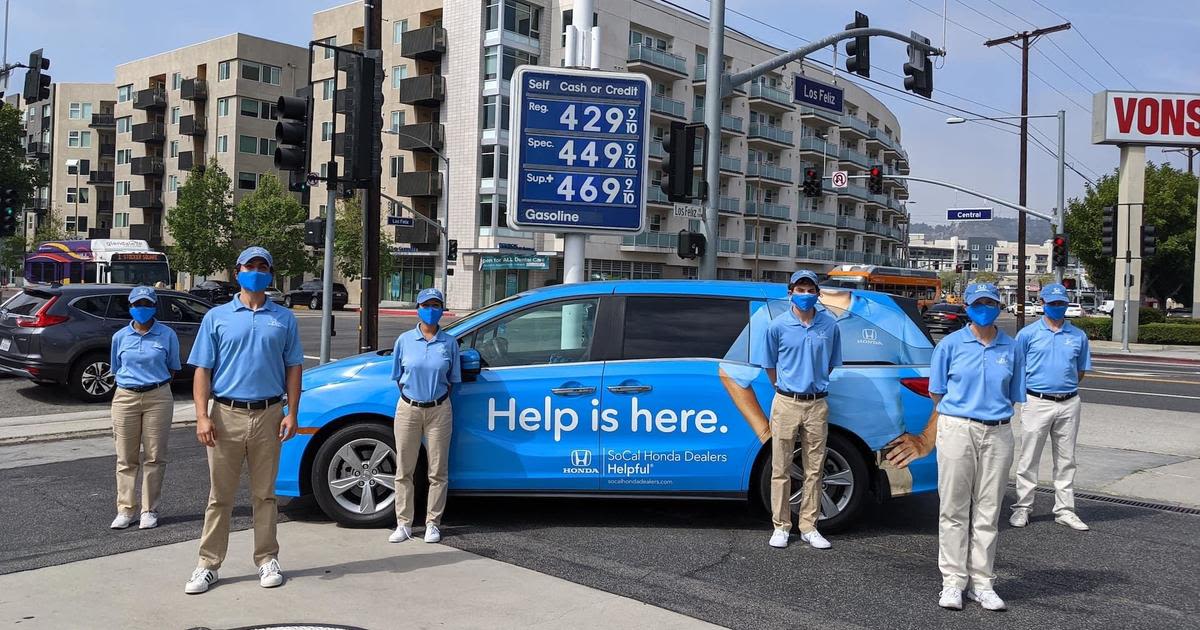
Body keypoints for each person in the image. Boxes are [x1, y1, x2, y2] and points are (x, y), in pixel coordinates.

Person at [885, 283, 1025, 612]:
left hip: (998, 432)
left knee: (989, 511)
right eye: (978, 303)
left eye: (991, 302)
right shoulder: (950, 345)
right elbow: (938, 394)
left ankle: (982, 582)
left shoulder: (1012, 347)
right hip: (958, 429)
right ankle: (953, 581)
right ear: (967, 306)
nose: (985, 308)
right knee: (953, 509)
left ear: (999, 306)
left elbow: (1014, 393)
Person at [184, 246, 303, 595]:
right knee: (219, 496)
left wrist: (292, 412)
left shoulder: (283, 318)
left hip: (268, 414)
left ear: (270, 274)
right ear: (237, 272)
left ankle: (267, 558)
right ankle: (208, 564)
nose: (256, 271)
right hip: (225, 415)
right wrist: (202, 416)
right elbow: (202, 370)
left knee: (265, 495)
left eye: (262, 266)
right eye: (249, 266)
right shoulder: (217, 317)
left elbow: (293, 368)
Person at [761, 270, 842, 550]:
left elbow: (831, 363)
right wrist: (783, 388)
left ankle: (809, 526)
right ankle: (781, 526)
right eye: (800, 289)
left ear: (818, 294)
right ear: (790, 292)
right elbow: (770, 365)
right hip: (785, 401)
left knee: (815, 469)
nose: (805, 295)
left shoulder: (829, 326)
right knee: (781, 467)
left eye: (811, 290)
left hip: (817, 403)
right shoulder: (778, 326)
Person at [1010, 283, 1092, 531]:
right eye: (1053, 303)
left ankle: (1065, 510)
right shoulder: (1027, 334)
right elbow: (1018, 368)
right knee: (1029, 457)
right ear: (1043, 304)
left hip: (1069, 402)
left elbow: (1079, 371)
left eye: (1062, 303)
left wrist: (1063, 388)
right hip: (1037, 401)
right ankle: (1022, 507)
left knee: (1067, 459)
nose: (1058, 307)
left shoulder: (1078, 336)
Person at [388, 287, 461, 545]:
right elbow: (398, 377)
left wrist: (435, 399)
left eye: (436, 305)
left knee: (437, 470)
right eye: (426, 305)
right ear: (417, 309)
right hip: (408, 408)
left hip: (439, 409)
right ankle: (404, 523)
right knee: (404, 469)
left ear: (442, 309)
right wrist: (414, 398)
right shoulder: (404, 341)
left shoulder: (449, 343)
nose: (431, 310)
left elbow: (453, 380)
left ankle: (433, 522)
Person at [108, 285, 180, 531]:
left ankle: (149, 510)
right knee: (126, 457)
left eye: (147, 304)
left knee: (154, 456)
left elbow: (172, 367)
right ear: (130, 307)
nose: (142, 309)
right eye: (137, 304)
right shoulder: (120, 337)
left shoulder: (167, 334)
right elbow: (116, 367)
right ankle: (125, 510)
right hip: (126, 397)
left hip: (158, 396)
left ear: (154, 306)